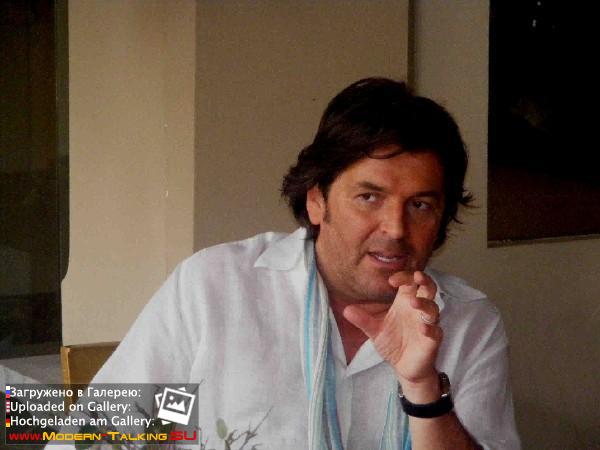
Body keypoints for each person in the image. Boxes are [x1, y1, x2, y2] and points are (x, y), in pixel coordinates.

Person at [88, 78, 520, 449]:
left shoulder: (468, 322)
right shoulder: (217, 289)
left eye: (420, 205)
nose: (395, 228)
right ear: (316, 200)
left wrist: (423, 388)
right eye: (369, 197)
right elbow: (99, 432)